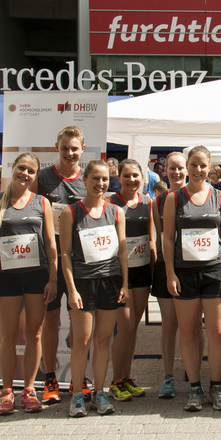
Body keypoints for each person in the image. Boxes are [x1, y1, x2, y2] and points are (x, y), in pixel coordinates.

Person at [0, 153, 57, 415]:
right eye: (21, 168)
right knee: (9, 337)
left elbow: (50, 244)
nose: (25, 174)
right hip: (9, 278)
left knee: (35, 335)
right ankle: (6, 392)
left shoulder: (42, 203)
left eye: (31, 171)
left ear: (36, 175)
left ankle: (28, 390)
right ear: (13, 168)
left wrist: (53, 279)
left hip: (37, 277)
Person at [163, 146, 221, 412]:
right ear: (187, 165)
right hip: (184, 273)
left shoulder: (220, 197)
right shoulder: (174, 198)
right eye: (193, 164)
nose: (197, 170)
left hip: (214, 271)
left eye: (202, 165)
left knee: (217, 332)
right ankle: (195, 388)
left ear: (210, 167)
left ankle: (216, 386)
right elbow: (168, 238)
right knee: (189, 331)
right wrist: (170, 273)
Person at [59, 160, 129, 417]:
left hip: (110, 282)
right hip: (84, 283)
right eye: (95, 179)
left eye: (104, 179)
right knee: (82, 340)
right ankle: (78, 395)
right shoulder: (71, 212)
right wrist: (72, 289)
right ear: (85, 180)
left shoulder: (116, 211)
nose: (100, 184)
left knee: (102, 340)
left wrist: (125, 284)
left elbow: (122, 250)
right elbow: (65, 254)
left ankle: (100, 392)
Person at [34, 125, 87, 403]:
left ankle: (81, 377)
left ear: (82, 149)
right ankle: (50, 378)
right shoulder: (42, 177)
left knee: (81, 321)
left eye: (74, 148)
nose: (69, 153)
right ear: (57, 147)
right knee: (51, 320)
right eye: (65, 147)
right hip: (50, 262)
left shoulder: (87, 178)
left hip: (80, 261)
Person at [108, 160, 155, 401]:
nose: (131, 180)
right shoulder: (110, 203)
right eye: (126, 176)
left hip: (143, 269)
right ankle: (116, 380)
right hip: (120, 273)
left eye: (135, 175)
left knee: (133, 327)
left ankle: (126, 377)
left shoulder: (148, 202)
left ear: (143, 178)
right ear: (120, 178)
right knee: (124, 327)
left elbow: (152, 236)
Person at [151, 152, 187, 398]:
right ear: (165, 171)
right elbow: (159, 236)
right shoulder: (158, 201)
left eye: (180, 168)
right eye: (172, 168)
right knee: (169, 324)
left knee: (192, 326)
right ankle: (168, 375)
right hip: (166, 267)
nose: (176, 172)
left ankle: (191, 370)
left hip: (191, 268)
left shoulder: (199, 195)